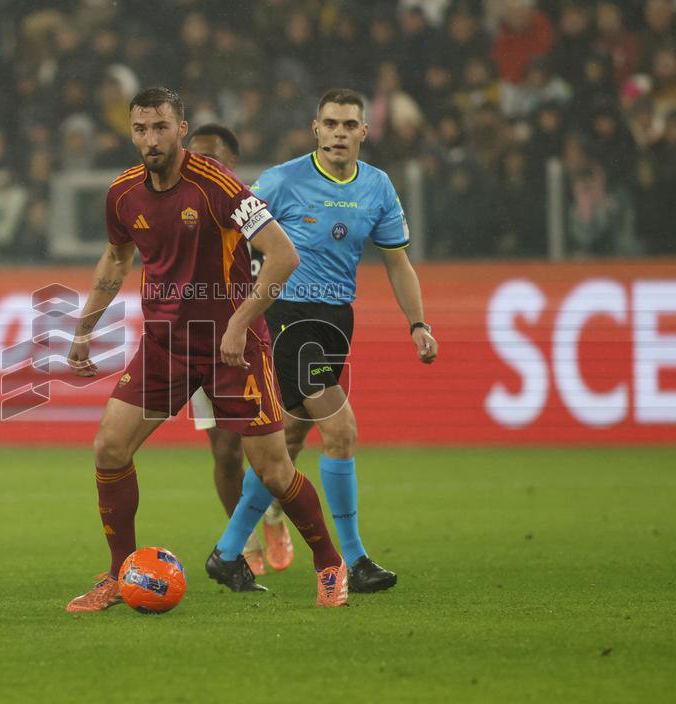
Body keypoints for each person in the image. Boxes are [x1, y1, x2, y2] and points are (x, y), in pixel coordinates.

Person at [65, 87, 349, 611]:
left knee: (273, 470)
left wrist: (240, 323)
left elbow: (283, 255)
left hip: (229, 348)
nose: (150, 139)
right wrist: (84, 329)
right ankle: (119, 574)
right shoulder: (123, 193)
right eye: (141, 129)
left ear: (181, 130)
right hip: (166, 344)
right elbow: (116, 259)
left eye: (160, 128)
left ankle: (330, 564)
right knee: (109, 448)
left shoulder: (218, 185)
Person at [211, 88, 438, 594]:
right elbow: (229, 232)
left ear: (364, 132)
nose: (339, 133)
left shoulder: (377, 186)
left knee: (287, 443)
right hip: (286, 319)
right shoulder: (282, 180)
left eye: (348, 125)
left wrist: (418, 324)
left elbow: (397, 261)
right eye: (330, 124)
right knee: (340, 429)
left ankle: (226, 553)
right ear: (316, 129)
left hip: (334, 322)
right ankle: (355, 560)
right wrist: (234, 304)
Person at [185, 123, 294, 577]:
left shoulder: (254, 212)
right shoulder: (183, 215)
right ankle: (243, 540)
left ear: (232, 166)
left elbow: (283, 267)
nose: (202, 167)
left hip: (253, 342)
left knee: (265, 452)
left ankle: (273, 514)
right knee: (224, 451)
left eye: (212, 159)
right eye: (195, 159)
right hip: (201, 342)